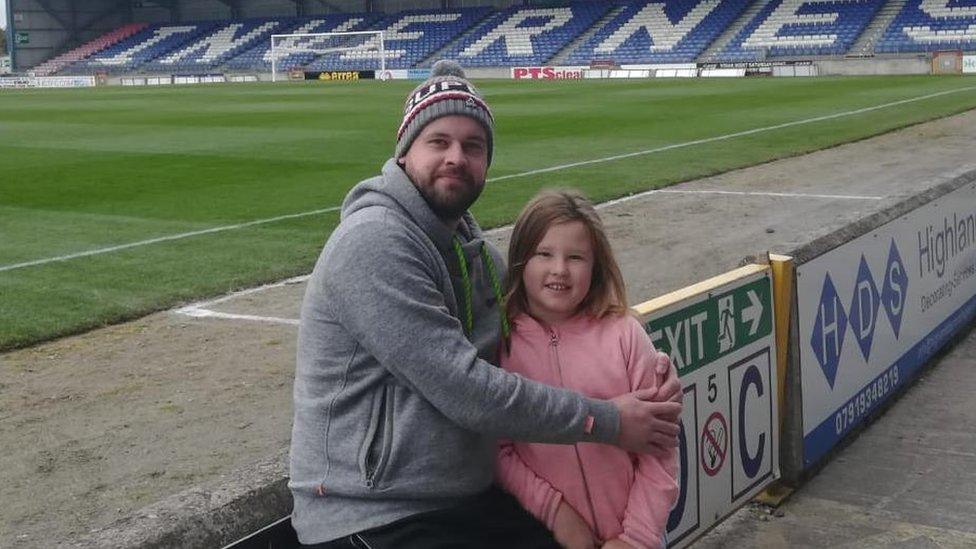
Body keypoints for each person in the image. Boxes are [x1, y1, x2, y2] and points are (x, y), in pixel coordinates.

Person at [289, 60, 682, 548]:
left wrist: (646, 361)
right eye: (439, 142)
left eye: (473, 147)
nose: (456, 157)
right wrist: (609, 420)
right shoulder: (374, 242)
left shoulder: (478, 258)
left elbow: (553, 323)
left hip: (457, 503)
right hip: (371, 512)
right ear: (405, 152)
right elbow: (464, 388)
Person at [496, 189, 679, 549]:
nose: (559, 270)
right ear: (520, 260)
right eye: (544, 254)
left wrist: (636, 538)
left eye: (576, 257)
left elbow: (662, 448)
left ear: (596, 266)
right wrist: (556, 512)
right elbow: (499, 451)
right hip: (547, 536)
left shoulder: (626, 334)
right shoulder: (501, 345)